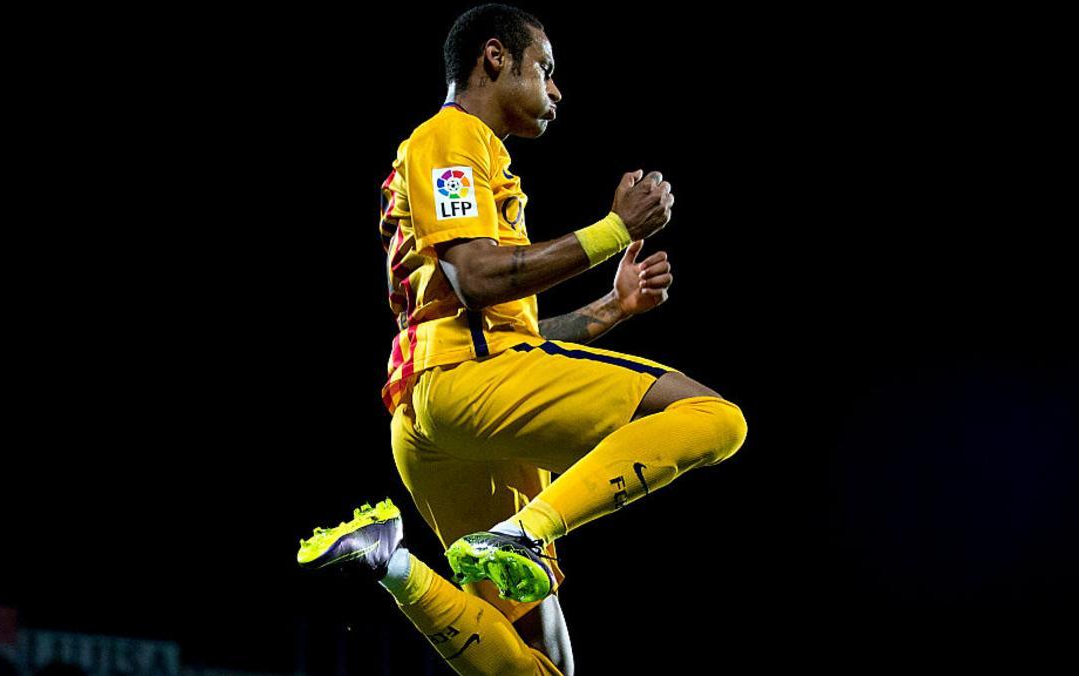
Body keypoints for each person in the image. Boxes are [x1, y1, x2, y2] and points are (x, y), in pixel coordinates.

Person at [298, 4, 748, 674]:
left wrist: (612, 308)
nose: (556, 91)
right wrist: (613, 230)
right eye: (547, 69)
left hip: (438, 406)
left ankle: (393, 565)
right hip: (469, 387)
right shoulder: (450, 140)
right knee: (715, 417)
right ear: (495, 57)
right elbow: (478, 279)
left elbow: (502, 324)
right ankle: (524, 534)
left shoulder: (467, 153)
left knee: (545, 665)